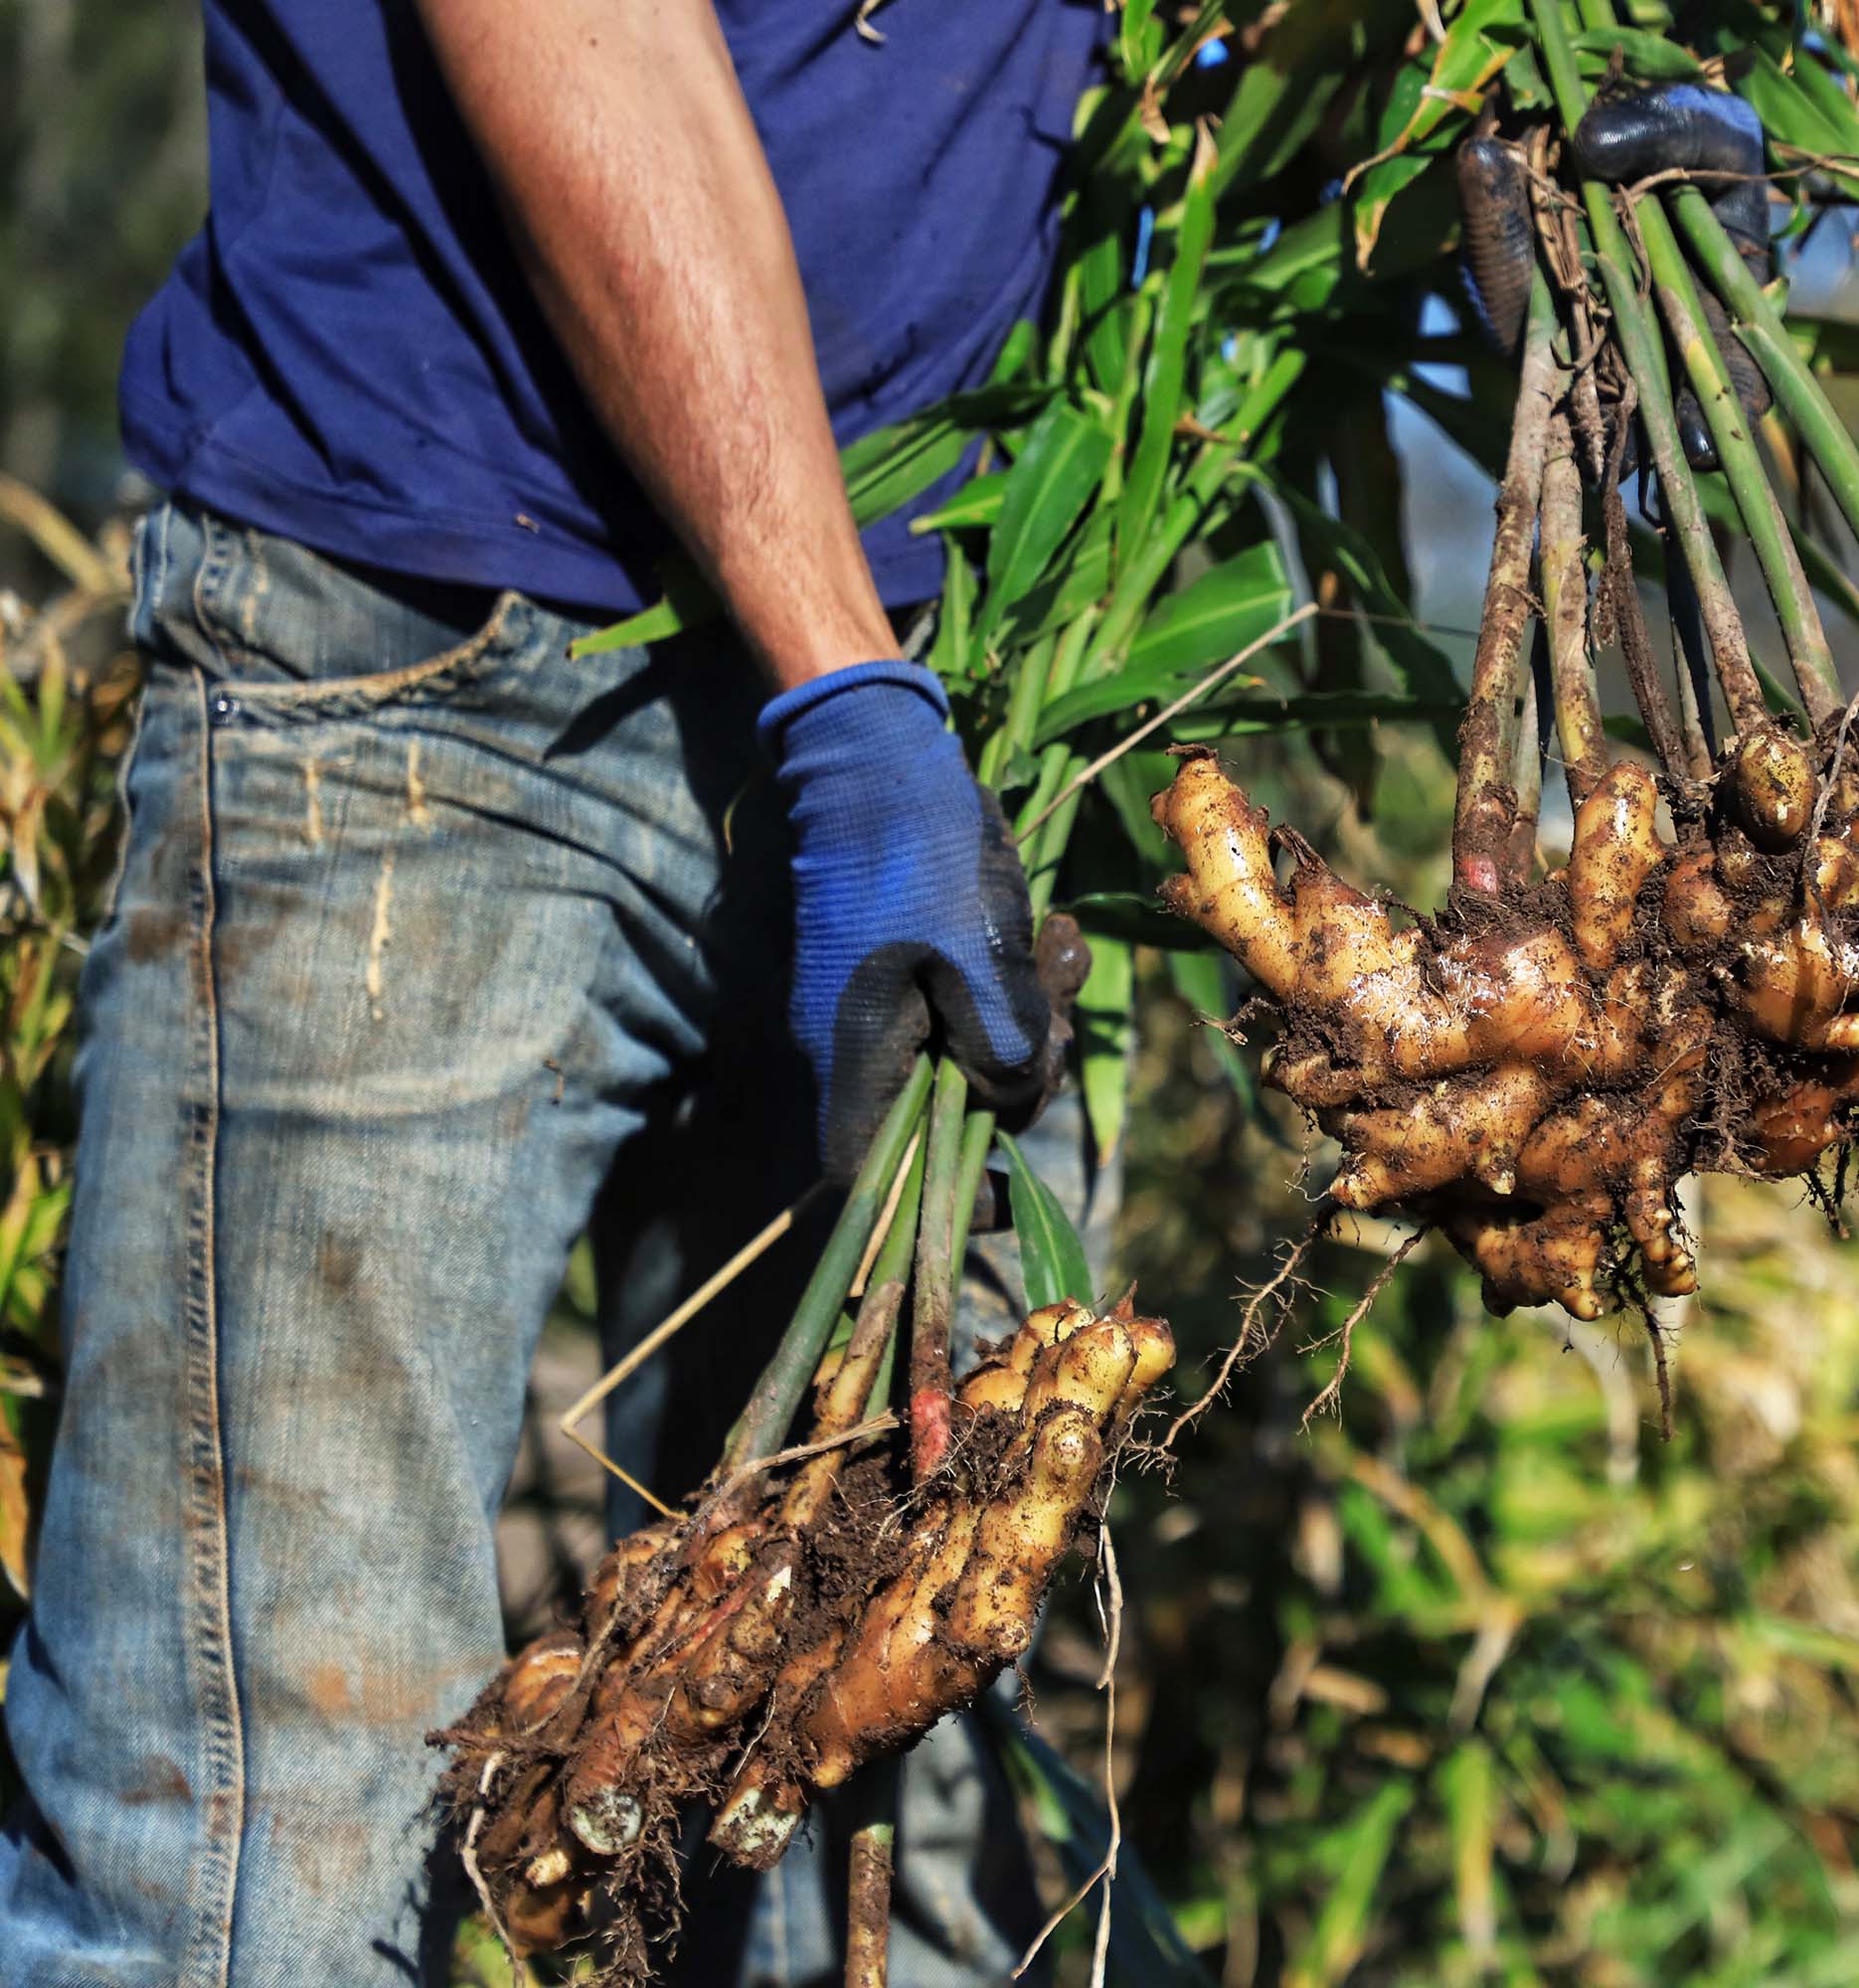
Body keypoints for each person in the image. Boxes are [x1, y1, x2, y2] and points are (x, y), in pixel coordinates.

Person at [0, 1, 1108, 1981]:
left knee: (902, 1833)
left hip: (968, 671)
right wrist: (840, 684)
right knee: (252, 1874)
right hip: (430, 658)